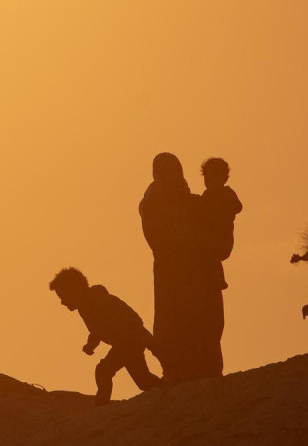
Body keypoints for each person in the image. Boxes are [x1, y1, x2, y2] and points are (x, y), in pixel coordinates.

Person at [139, 153, 225, 383]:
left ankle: (207, 372)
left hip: (200, 276)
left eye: (176, 170)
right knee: (173, 326)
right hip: (172, 278)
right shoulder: (152, 204)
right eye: (167, 171)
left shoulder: (193, 203)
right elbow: (159, 240)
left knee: (206, 325)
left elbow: (217, 232)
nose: (173, 176)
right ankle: (175, 372)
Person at [49, 268, 160, 405]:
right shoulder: (87, 305)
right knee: (143, 380)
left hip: (128, 341)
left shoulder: (97, 300)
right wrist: (91, 344)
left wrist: (146, 339)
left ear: (75, 291)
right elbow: (97, 330)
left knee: (103, 371)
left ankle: (102, 405)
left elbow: (114, 323)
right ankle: (166, 387)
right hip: (127, 342)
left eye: (63, 296)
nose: (62, 302)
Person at [199, 157, 243, 289]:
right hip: (211, 235)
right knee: (208, 254)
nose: (209, 182)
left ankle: (217, 279)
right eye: (206, 179)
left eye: (212, 179)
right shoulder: (207, 195)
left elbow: (238, 207)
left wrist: (222, 203)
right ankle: (214, 278)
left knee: (211, 253)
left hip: (222, 235)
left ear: (223, 179)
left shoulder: (227, 193)